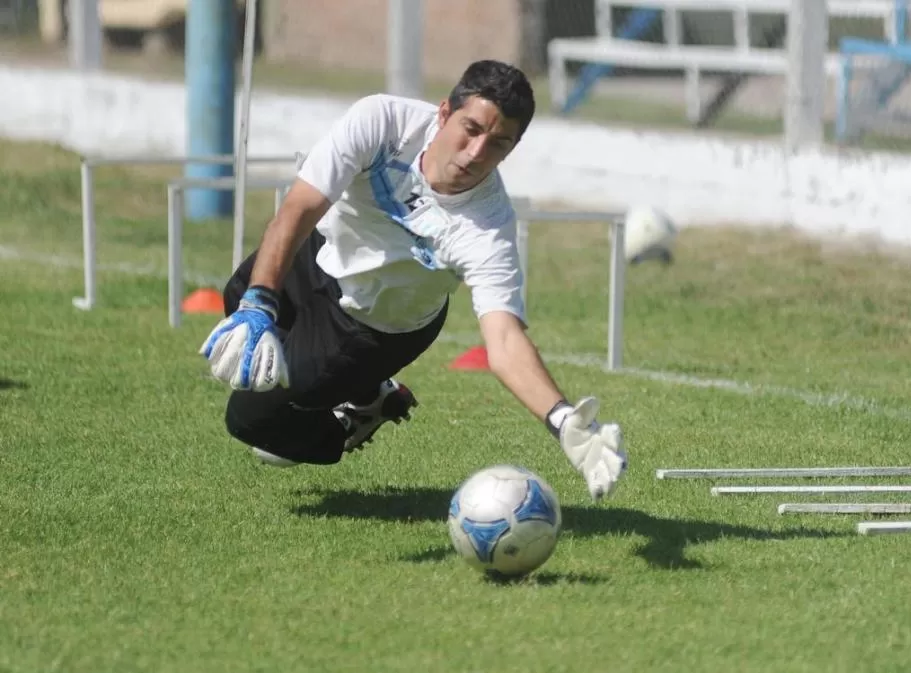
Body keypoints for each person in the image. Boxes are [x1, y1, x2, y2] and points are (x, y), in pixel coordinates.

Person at [199, 59, 627, 501]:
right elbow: (300, 210)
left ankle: (353, 419)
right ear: (443, 113)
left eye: (499, 144)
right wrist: (257, 306)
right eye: (471, 128)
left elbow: (503, 342)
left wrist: (562, 422)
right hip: (321, 257)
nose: (477, 153)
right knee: (240, 293)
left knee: (250, 420)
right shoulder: (382, 121)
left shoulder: (488, 227)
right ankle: (367, 391)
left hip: (372, 326)